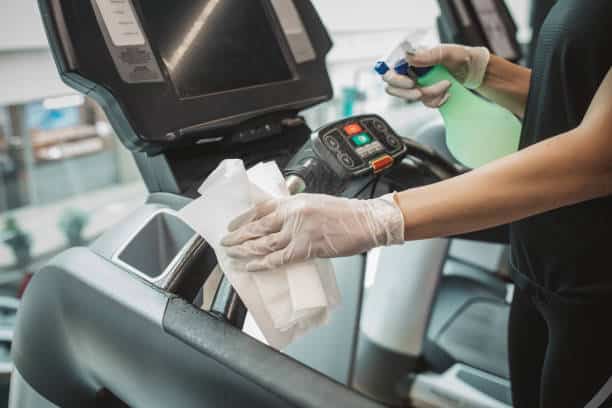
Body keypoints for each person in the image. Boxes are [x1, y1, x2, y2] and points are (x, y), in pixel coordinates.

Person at [222, 1, 612, 406]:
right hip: (542, 274)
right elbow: (572, 102)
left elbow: (599, 157)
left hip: (598, 294)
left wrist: (377, 218)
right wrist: (480, 71)